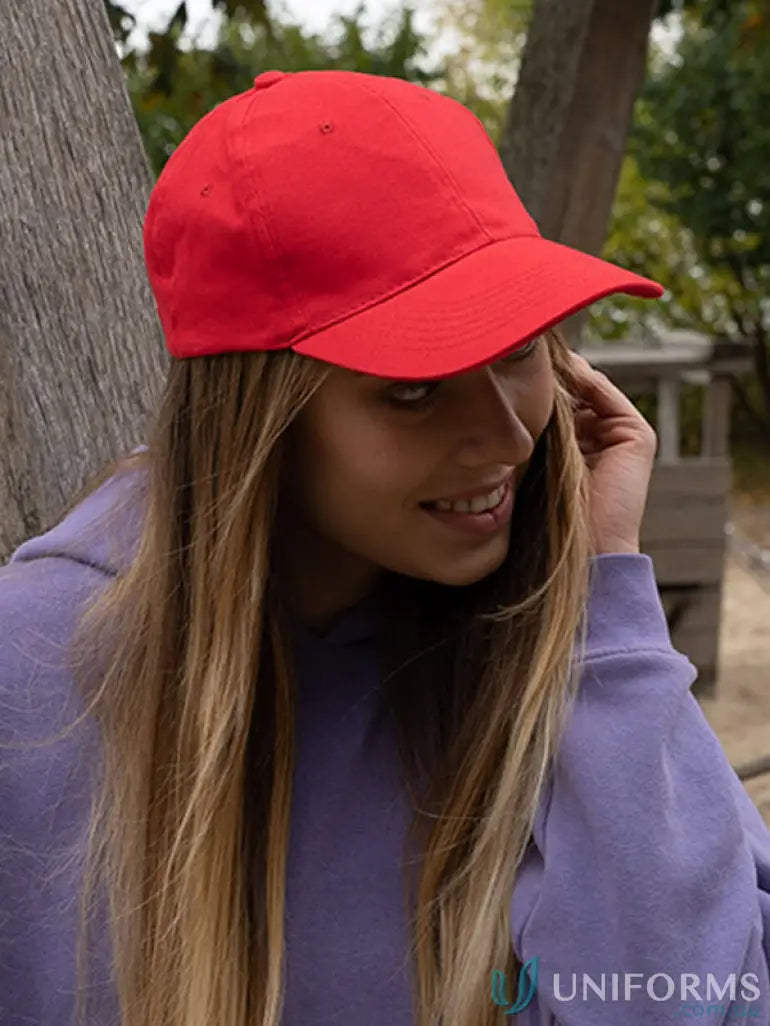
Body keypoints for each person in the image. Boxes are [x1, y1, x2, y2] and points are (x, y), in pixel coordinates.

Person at [0, 68, 768, 1026]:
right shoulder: (33, 677)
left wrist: (603, 604)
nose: (508, 437)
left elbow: (696, 1003)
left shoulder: (572, 661)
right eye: (415, 388)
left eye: (519, 351)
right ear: (261, 421)